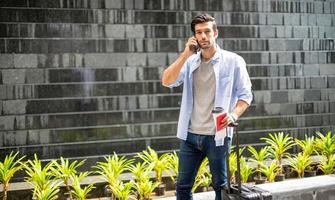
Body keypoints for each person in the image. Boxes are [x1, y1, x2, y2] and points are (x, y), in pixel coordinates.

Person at [161, 13, 253, 200]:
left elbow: (245, 96)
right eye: (199, 32)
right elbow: (166, 80)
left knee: (221, 187)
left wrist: (234, 115)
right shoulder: (189, 62)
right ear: (194, 36)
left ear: (215, 33)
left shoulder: (233, 61)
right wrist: (186, 53)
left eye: (207, 31)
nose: (203, 36)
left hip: (217, 136)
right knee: (182, 186)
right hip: (190, 136)